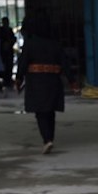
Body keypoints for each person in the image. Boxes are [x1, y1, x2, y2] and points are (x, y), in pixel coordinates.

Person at [15, 16, 72, 154]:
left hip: (36, 81)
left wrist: (18, 79)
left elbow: (23, 63)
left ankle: (47, 140)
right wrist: (72, 81)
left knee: (40, 112)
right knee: (50, 111)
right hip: (52, 81)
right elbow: (65, 63)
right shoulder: (55, 44)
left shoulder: (30, 44)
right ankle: (50, 138)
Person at [0, 17, 17, 87]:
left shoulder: (9, 30)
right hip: (4, 52)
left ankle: (8, 79)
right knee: (5, 66)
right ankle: (6, 79)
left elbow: (13, 39)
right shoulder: (1, 30)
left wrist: (10, 42)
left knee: (9, 65)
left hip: (8, 51)